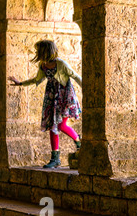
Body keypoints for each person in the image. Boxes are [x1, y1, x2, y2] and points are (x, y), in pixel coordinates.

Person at [8, 40, 82, 168]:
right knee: (52, 126)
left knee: (61, 125)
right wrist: (20, 83)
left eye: (38, 50)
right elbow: (37, 79)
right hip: (51, 97)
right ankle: (55, 158)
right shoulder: (43, 66)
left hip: (64, 96)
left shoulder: (61, 64)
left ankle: (78, 140)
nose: (36, 52)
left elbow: (75, 76)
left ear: (45, 51)